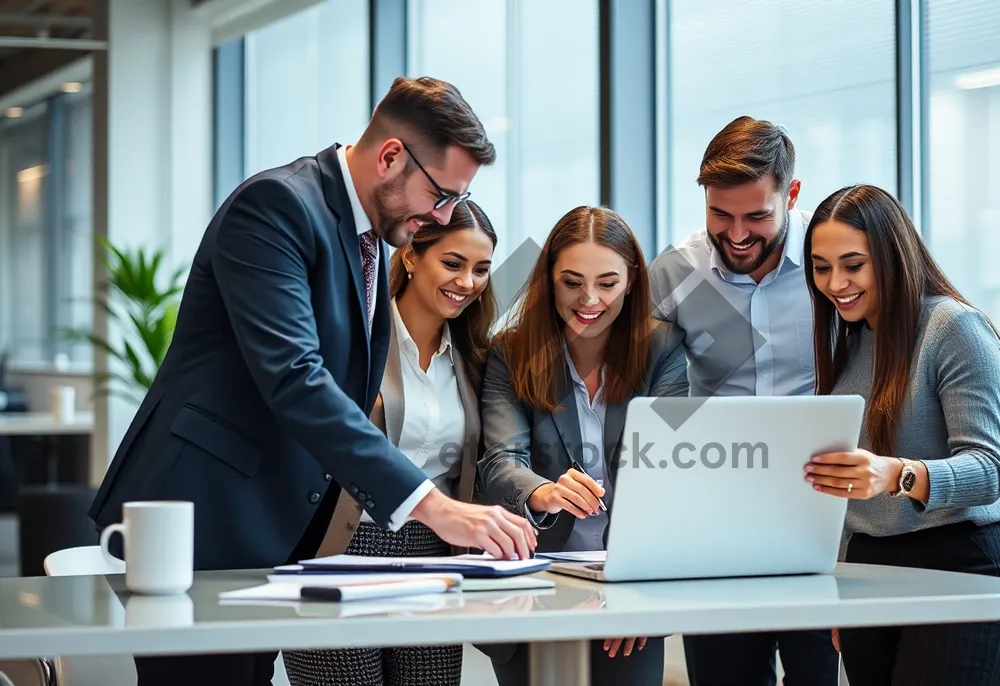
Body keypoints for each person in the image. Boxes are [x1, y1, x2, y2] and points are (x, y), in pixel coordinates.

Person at [86, 76, 536, 686]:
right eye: (441, 196)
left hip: (272, 530)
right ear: (390, 156)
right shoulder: (276, 207)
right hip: (203, 518)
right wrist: (434, 508)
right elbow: (297, 377)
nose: (443, 216)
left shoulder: (366, 237)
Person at [803, 184, 1000, 685]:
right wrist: (839, 580)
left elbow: (989, 472)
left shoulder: (954, 328)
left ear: (891, 254)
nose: (835, 283)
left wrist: (895, 474)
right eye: (821, 267)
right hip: (868, 573)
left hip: (959, 570)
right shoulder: (853, 342)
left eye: (853, 265)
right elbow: (844, 496)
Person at [647, 116, 838, 686]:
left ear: (792, 194)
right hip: (718, 517)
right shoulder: (675, 273)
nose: (736, 235)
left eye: (757, 216)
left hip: (820, 511)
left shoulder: (833, 266)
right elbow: (638, 385)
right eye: (719, 215)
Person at [282, 199, 498, 686]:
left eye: (481, 269)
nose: (467, 282)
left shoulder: (476, 358)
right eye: (453, 263)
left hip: (433, 554)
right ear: (410, 257)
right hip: (340, 544)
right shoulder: (349, 340)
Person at [477, 205, 689, 686]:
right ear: (550, 279)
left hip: (630, 579)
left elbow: (666, 475)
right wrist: (542, 492)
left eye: (607, 283)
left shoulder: (663, 349)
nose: (589, 299)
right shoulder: (510, 352)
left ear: (632, 280)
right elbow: (501, 460)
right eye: (571, 282)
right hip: (533, 584)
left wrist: (636, 584)